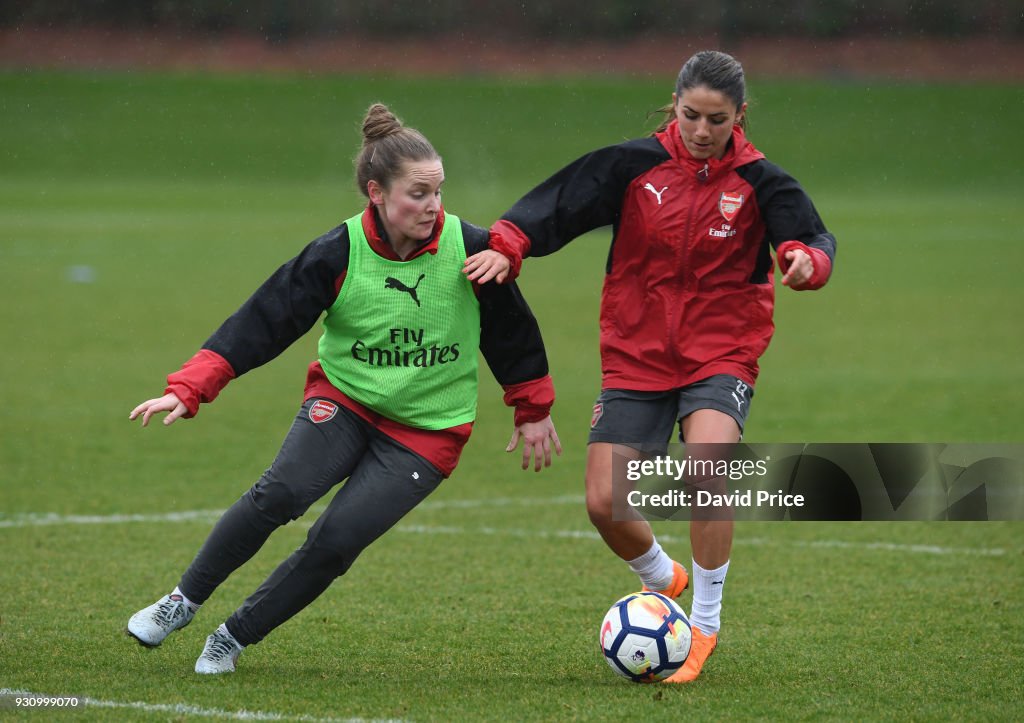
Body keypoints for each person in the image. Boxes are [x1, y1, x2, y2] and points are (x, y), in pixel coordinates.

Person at [126, 103, 562, 674]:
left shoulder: (473, 250)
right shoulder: (338, 251)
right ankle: (181, 602)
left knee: (337, 542)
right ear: (376, 192)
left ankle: (232, 637)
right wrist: (191, 388)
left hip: (428, 431)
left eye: (439, 191)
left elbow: (513, 335)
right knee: (280, 493)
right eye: (418, 193)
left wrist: (533, 409)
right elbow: (265, 321)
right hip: (345, 401)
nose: (433, 206)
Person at [465, 50, 836, 683]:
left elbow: (808, 236)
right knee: (606, 501)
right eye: (690, 115)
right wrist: (508, 245)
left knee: (707, 469)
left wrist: (805, 262)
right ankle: (663, 577)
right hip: (635, 355)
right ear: (675, 106)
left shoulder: (761, 181)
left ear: (739, 116)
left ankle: (705, 626)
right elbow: (561, 203)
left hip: (721, 351)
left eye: (716, 119)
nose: (700, 130)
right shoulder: (633, 165)